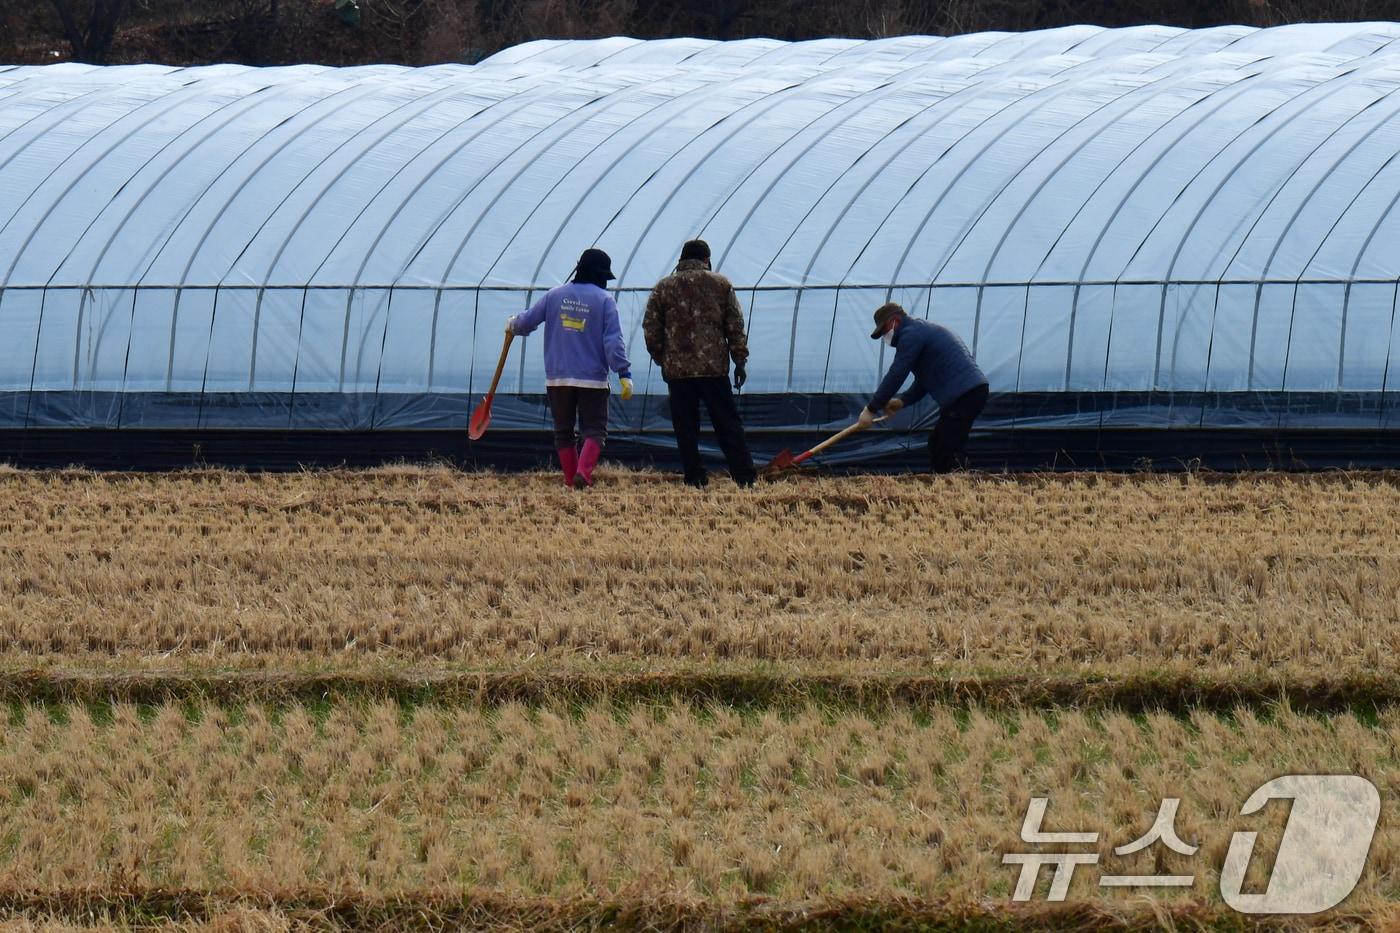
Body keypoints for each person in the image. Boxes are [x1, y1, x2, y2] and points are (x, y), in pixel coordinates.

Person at [508, 248, 632, 489]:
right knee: (595, 429)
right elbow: (613, 341)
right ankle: (583, 474)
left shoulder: (554, 296)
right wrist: (623, 373)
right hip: (592, 380)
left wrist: (512, 324)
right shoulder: (605, 300)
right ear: (601, 276)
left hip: (558, 378)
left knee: (563, 431)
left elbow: (527, 322)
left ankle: (570, 481)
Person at [643, 239, 757, 488]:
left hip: (678, 372)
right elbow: (735, 326)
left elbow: (651, 328)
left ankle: (695, 478)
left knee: (686, 427)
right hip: (713, 369)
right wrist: (740, 360)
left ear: (681, 260)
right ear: (707, 259)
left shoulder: (663, 288)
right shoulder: (721, 284)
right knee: (727, 424)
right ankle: (745, 477)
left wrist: (662, 359)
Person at [862, 302, 989, 474]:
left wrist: (872, 408)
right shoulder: (920, 331)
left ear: (895, 321)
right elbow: (924, 381)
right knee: (937, 443)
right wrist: (902, 401)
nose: (885, 335)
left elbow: (897, 372)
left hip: (965, 394)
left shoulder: (911, 334)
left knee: (947, 447)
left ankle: (956, 486)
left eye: (884, 330)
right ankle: (948, 482)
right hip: (969, 392)